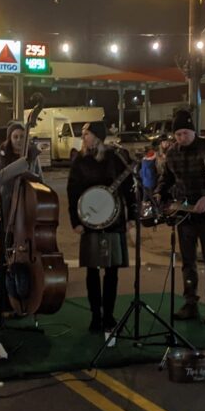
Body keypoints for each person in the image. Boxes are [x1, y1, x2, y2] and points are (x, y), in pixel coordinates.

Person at [154, 109, 205, 325]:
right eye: (178, 134)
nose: (181, 138)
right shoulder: (173, 153)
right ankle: (190, 302)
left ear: (192, 131)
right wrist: (159, 192)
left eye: (185, 133)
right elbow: (167, 178)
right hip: (185, 213)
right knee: (187, 261)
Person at [67, 121, 137, 332]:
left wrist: (132, 216)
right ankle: (95, 316)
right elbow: (72, 192)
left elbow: (128, 188)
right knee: (92, 270)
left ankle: (109, 315)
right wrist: (75, 221)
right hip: (89, 221)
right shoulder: (80, 160)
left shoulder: (114, 159)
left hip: (113, 220)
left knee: (112, 271)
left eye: (86, 133)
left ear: (97, 137)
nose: (83, 137)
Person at [0, 120, 43, 314]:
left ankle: (27, 302)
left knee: (27, 263)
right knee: (5, 261)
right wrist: (19, 166)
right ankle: (4, 304)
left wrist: (31, 175)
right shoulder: (0, 155)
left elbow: (41, 181)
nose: (19, 140)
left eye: (22, 136)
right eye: (15, 136)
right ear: (9, 138)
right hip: (8, 214)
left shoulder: (32, 156)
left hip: (26, 216)